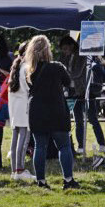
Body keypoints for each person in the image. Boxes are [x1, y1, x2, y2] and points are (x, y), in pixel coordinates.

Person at [21, 35, 79, 189]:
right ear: (48, 50)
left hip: (36, 110)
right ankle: (68, 180)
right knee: (64, 146)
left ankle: (41, 181)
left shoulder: (28, 70)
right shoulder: (57, 67)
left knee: (40, 147)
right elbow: (68, 83)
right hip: (56, 109)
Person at [6, 45, 32, 181]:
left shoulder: (16, 66)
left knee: (15, 140)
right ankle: (20, 170)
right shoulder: (26, 67)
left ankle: (15, 171)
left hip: (15, 109)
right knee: (23, 140)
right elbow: (30, 88)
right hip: (24, 108)